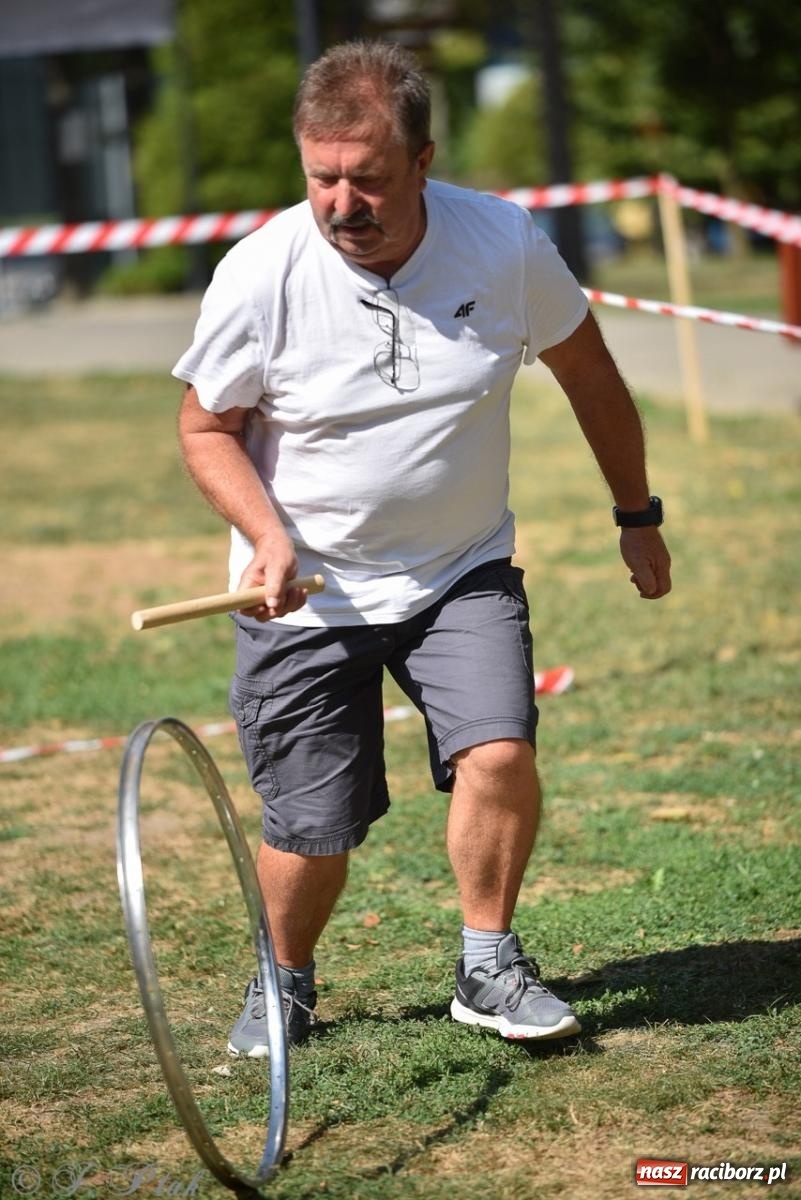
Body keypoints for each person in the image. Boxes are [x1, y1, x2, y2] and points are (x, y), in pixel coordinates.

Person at [174, 40, 671, 1053]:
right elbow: (203, 426)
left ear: (425, 160)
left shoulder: (503, 244)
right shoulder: (261, 273)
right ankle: (285, 982)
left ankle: (488, 964)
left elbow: (592, 378)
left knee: (500, 750)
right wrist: (263, 537)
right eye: (323, 178)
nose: (343, 204)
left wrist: (638, 516)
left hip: (460, 568)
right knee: (311, 827)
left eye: (370, 180)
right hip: (307, 589)